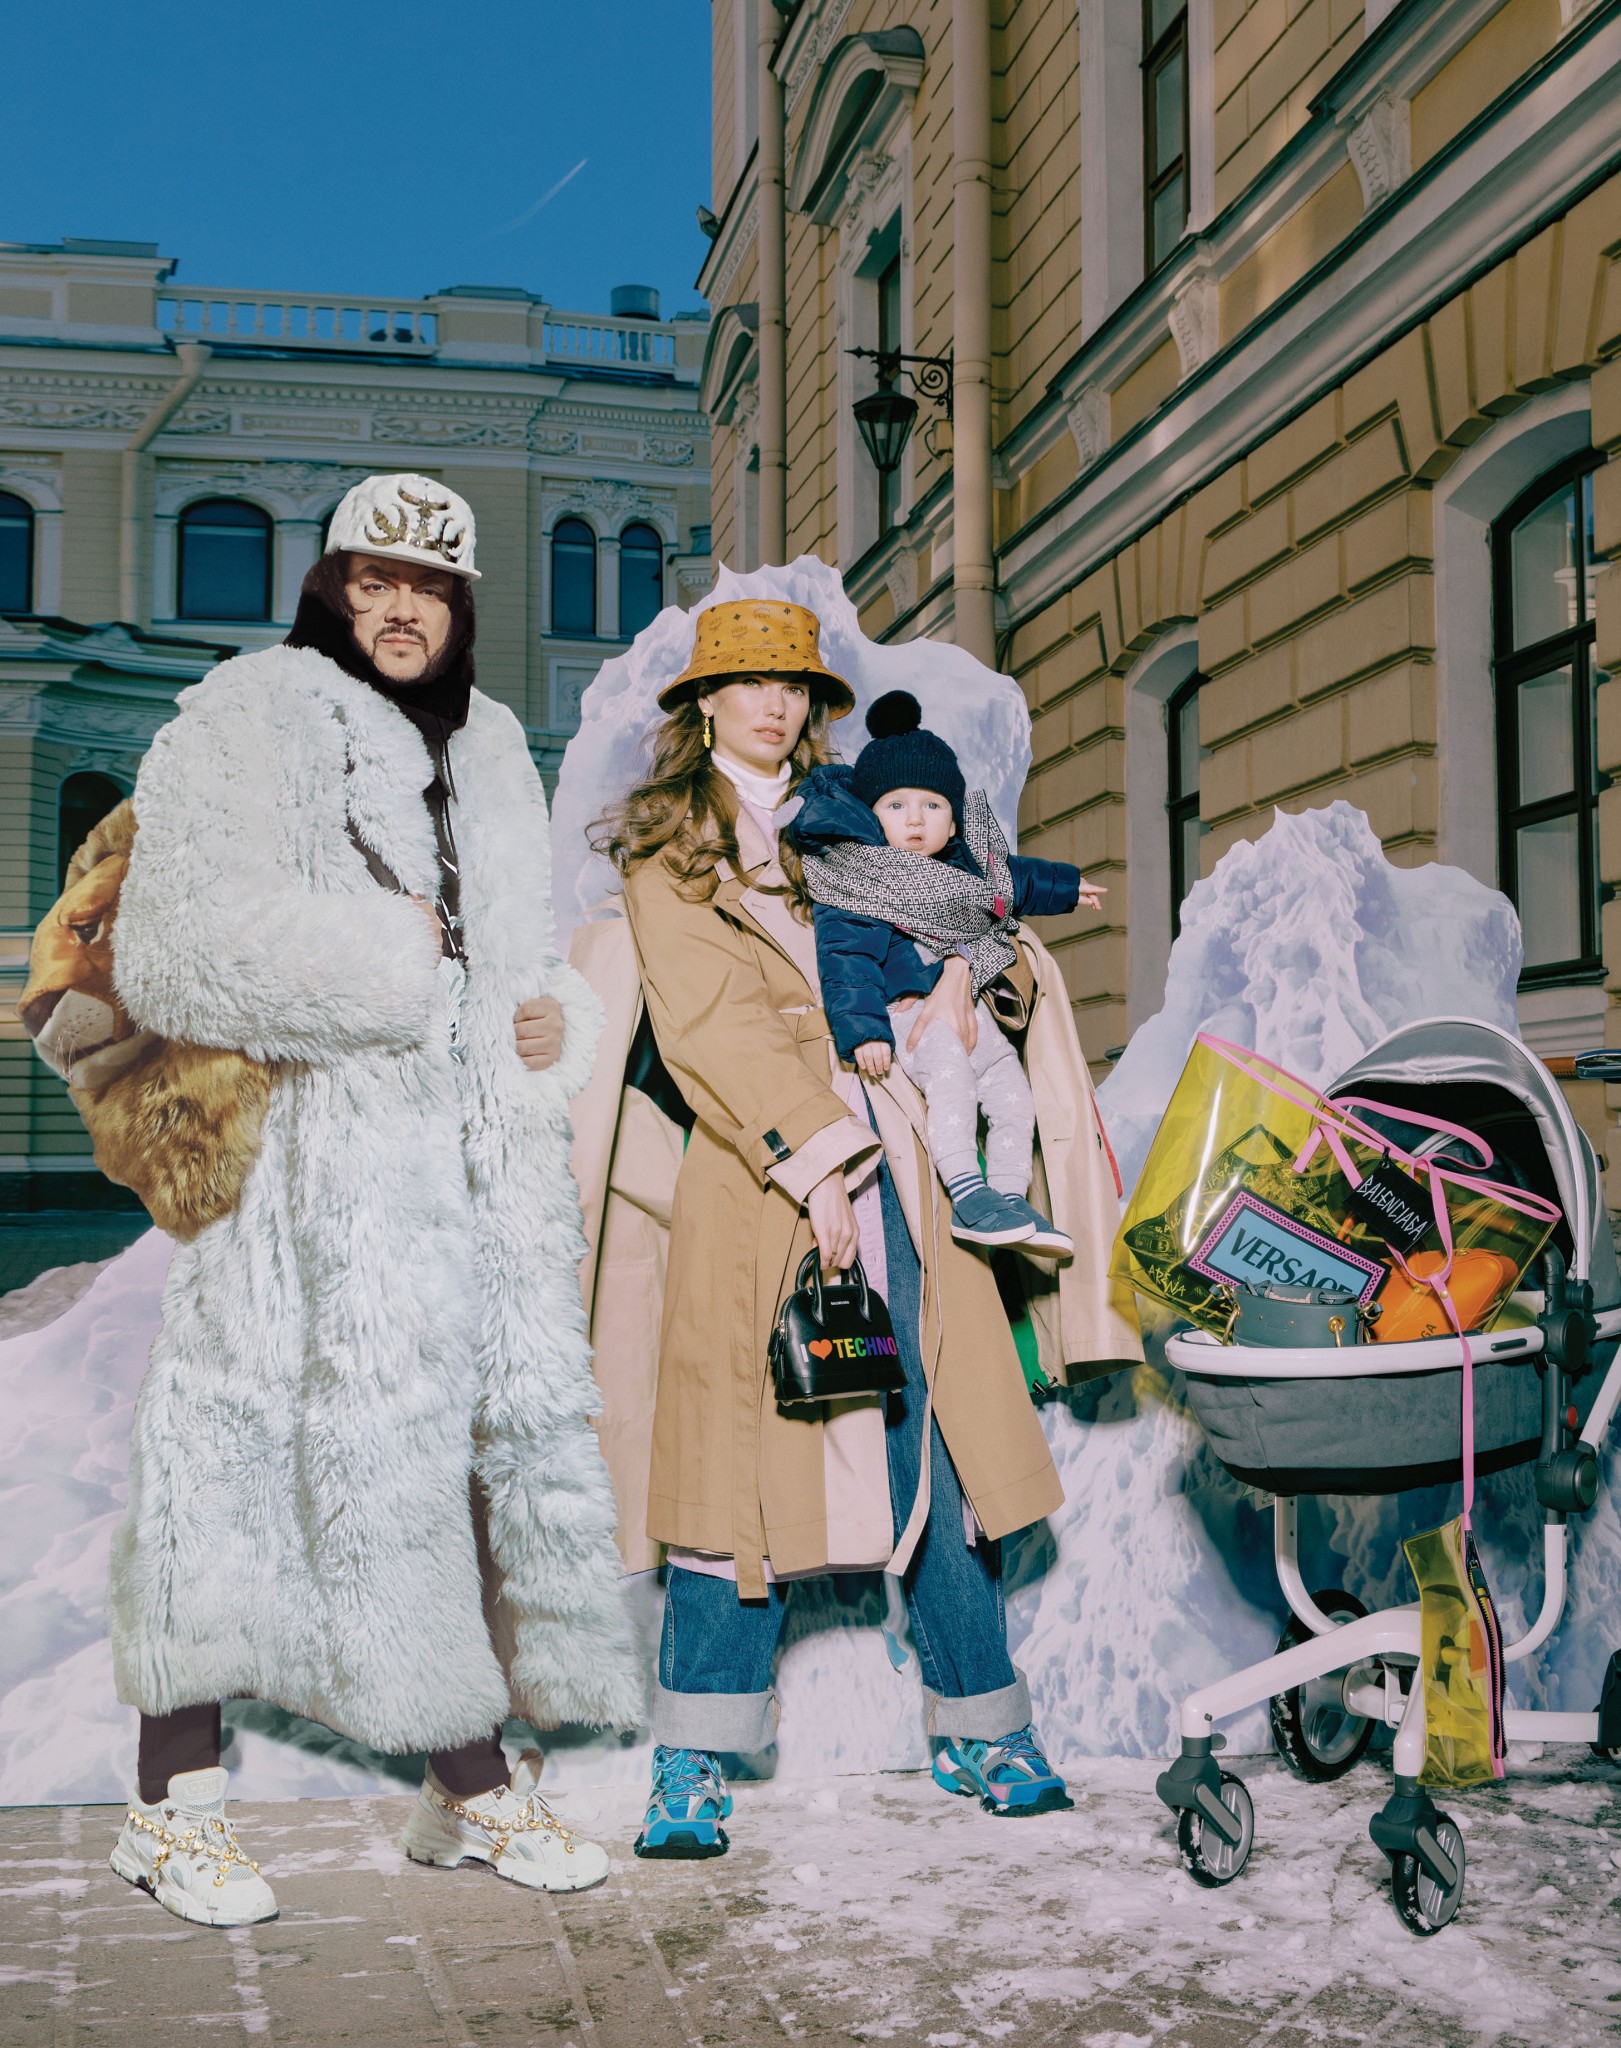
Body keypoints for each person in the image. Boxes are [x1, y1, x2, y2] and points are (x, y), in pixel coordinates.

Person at [103, 473, 638, 1926]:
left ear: (462, 605)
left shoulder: (494, 742)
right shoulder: (250, 711)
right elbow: (172, 951)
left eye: (432, 588)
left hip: (472, 1174)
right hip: (304, 1179)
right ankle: (170, 1807)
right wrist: (381, 956)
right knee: (229, 1476)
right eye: (375, 581)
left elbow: (500, 958)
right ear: (332, 587)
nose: (403, 610)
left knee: (456, 1473)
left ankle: (459, 1787)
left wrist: (550, 1023)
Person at [588, 598, 1128, 1862]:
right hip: (758, 1173)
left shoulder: (859, 816)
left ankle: (983, 1722)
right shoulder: (671, 848)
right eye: (749, 681)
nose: (774, 702)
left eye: (794, 683)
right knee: (735, 1460)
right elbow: (707, 1024)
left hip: (913, 1155)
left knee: (933, 1432)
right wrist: (816, 1159)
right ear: (702, 703)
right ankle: (693, 1750)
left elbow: (974, 922)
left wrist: (970, 980)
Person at [787, 690, 1106, 1256]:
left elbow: (1015, 879)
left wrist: (1068, 886)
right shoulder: (858, 879)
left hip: (974, 1015)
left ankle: (1008, 1197)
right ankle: (966, 1191)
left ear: (954, 819)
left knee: (1014, 1097)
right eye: (896, 805)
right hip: (910, 1020)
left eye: (932, 806)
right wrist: (865, 1033)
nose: (915, 819)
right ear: (870, 814)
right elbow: (845, 961)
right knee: (952, 1086)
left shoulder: (968, 868)